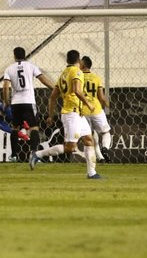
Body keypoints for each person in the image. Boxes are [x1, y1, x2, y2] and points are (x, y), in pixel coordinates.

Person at [29, 49, 102, 179]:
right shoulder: (76, 72)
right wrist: (89, 103)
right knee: (70, 147)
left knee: (88, 140)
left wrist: (51, 115)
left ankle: (92, 173)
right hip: (71, 114)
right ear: (78, 60)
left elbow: (52, 97)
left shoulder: (63, 74)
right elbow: (77, 90)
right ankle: (37, 155)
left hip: (77, 114)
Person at [3, 47, 54, 162]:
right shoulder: (31, 66)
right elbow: (43, 79)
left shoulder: (9, 68)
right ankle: (34, 155)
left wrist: (6, 102)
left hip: (16, 103)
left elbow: (6, 87)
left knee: (15, 128)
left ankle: (14, 156)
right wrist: (54, 89)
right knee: (34, 128)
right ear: (25, 55)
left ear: (14, 55)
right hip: (29, 101)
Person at [80, 56, 113, 163]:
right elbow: (102, 97)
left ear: (83, 65)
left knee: (90, 135)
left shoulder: (77, 77)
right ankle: (105, 148)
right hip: (96, 109)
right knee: (105, 133)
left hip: (83, 110)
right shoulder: (96, 78)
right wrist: (109, 106)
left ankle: (100, 157)